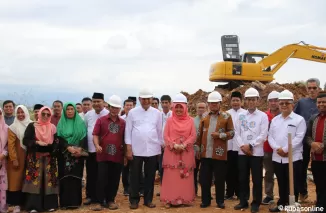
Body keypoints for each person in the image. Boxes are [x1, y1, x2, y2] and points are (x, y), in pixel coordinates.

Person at [268, 90, 306, 212]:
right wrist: (277, 149)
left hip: (293, 157)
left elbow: (299, 138)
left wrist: (285, 149)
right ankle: (281, 203)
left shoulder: (299, 120)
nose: (284, 105)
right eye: (282, 103)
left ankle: (292, 204)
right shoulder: (275, 120)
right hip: (277, 157)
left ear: (292, 105)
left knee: (292, 182)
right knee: (281, 181)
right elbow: (270, 136)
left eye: (287, 103)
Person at [195, 91, 234, 209]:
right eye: (211, 103)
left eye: (215, 103)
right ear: (208, 104)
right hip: (205, 153)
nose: (213, 105)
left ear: (220, 104)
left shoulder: (226, 116)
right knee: (204, 179)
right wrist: (197, 149)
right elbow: (199, 134)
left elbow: (232, 133)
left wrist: (220, 135)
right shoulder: (204, 117)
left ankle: (220, 201)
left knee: (220, 179)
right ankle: (206, 201)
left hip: (219, 154)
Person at [125, 88, 163, 209]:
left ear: (151, 99)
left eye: (148, 98)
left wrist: (160, 147)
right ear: (139, 99)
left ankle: (148, 200)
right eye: (143, 99)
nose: (146, 101)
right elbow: (128, 131)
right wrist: (129, 148)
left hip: (152, 149)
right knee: (135, 175)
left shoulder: (157, 113)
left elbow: (159, 131)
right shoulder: (132, 112)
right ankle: (134, 200)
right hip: (136, 149)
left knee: (150, 176)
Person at [234, 88, 269, 213]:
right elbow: (236, 133)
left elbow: (263, 134)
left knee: (257, 179)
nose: (250, 102)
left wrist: (251, 145)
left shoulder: (263, 116)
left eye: (253, 99)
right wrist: (243, 146)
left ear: (258, 100)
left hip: (256, 153)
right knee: (242, 178)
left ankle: (256, 203)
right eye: (248, 100)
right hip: (242, 152)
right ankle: (243, 201)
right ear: (245, 101)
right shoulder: (240, 115)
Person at [160, 93, 196, 208]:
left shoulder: (190, 121)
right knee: (172, 176)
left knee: (185, 176)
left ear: (185, 107)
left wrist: (184, 145)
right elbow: (166, 136)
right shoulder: (170, 121)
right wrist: (174, 145)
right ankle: (170, 199)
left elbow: (193, 136)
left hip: (186, 153)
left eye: (181, 107)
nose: (179, 109)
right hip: (172, 153)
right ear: (173, 107)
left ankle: (185, 199)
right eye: (177, 107)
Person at [22, 106, 59, 212]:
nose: (46, 116)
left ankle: (50, 205)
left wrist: (52, 148)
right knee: (35, 182)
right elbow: (25, 140)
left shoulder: (52, 127)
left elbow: (56, 141)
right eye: (43, 114)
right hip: (35, 158)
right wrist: (37, 142)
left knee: (49, 182)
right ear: (39, 114)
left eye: (48, 114)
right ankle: (33, 206)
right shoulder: (32, 126)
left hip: (48, 158)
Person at [92, 95, 126, 211]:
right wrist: (97, 145)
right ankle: (99, 202)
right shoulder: (101, 120)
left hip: (117, 155)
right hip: (103, 155)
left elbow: (125, 139)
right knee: (101, 178)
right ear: (109, 106)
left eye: (117, 108)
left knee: (114, 179)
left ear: (120, 109)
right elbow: (95, 134)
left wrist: (126, 154)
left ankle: (111, 200)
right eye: (112, 107)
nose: (114, 110)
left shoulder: (123, 122)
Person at [56, 103, 87, 210]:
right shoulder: (61, 123)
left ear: (75, 110)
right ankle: (64, 203)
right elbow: (59, 138)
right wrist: (68, 147)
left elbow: (83, 136)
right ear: (64, 111)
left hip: (77, 154)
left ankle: (75, 202)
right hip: (64, 154)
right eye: (67, 109)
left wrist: (79, 149)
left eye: (71, 109)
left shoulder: (81, 122)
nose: (69, 111)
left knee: (75, 177)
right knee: (64, 177)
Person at [294, 78, 320, 202]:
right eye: (309, 88)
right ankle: (302, 193)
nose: (312, 90)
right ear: (306, 89)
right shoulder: (301, 102)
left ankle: (320, 196)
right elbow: (293, 117)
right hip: (303, 140)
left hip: (319, 141)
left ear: (319, 89)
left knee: (318, 168)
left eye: (314, 88)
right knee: (302, 167)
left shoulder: (322, 102)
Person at [84, 93, 109, 205]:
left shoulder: (108, 114)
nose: (96, 104)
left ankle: (102, 197)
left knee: (102, 175)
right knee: (91, 174)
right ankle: (90, 196)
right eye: (94, 101)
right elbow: (85, 130)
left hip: (104, 151)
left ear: (103, 102)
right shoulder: (88, 115)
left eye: (98, 101)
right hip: (91, 150)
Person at [7, 105, 32, 213]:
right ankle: (16, 204)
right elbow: (11, 145)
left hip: (30, 156)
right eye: (18, 112)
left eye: (22, 112)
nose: (20, 115)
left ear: (26, 112)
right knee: (16, 180)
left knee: (28, 180)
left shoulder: (32, 124)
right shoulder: (13, 127)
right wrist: (14, 159)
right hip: (18, 156)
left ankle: (26, 203)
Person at [306, 92, 326, 210]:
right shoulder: (314, 118)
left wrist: (322, 146)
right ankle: (319, 206)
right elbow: (307, 136)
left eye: (324, 102)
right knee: (319, 184)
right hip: (315, 158)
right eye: (319, 102)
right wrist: (312, 144)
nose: (321, 104)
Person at [225, 91, 246, 200]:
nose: (235, 102)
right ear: (230, 102)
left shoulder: (245, 114)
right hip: (229, 147)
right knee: (229, 171)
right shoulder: (226, 114)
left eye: (237, 100)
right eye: (233, 100)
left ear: (241, 101)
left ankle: (239, 192)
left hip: (241, 148)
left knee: (240, 171)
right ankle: (229, 193)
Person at [262, 91, 280, 205]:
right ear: (268, 102)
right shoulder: (264, 116)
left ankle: (285, 194)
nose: (273, 103)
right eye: (271, 101)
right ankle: (269, 195)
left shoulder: (284, 115)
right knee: (269, 172)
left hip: (281, 150)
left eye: (276, 100)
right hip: (267, 149)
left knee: (282, 173)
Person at [156, 95, 172, 197]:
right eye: (163, 103)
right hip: (159, 147)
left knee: (170, 169)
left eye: (167, 102)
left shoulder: (174, 115)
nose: (165, 105)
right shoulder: (157, 115)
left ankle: (170, 189)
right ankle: (163, 189)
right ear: (161, 104)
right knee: (161, 168)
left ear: (170, 103)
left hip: (171, 147)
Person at [121, 99, 136, 196]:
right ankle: (126, 188)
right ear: (124, 107)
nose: (129, 107)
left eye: (131, 105)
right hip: (123, 147)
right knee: (124, 169)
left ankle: (136, 188)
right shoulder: (121, 119)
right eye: (127, 105)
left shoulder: (137, 118)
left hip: (135, 147)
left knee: (135, 169)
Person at [193, 102, 207, 196]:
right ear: (196, 109)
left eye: (203, 107)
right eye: (199, 107)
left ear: (206, 108)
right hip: (194, 151)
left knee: (205, 173)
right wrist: (196, 149)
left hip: (206, 151)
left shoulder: (209, 120)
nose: (201, 109)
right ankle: (194, 191)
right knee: (194, 172)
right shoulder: (192, 121)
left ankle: (206, 193)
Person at [0, 108, 8, 213]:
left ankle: (2, 208)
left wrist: (2, 155)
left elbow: (8, 146)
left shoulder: (6, 128)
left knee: (2, 186)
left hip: (2, 161)